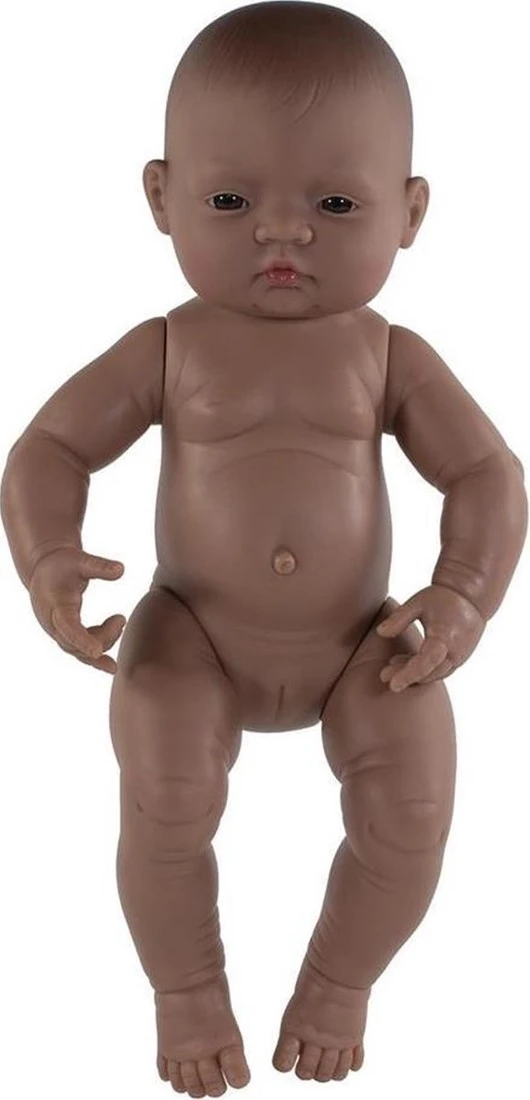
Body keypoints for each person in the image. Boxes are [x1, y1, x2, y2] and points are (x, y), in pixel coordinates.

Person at [1, 3, 527, 1096]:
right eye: (230, 200)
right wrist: (49, 556)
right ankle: (187, 990)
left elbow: (487, 473)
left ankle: (338, 982)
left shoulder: (388, 355)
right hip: (191, 628)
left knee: (414, 809)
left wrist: (464, 593)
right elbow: (49, 447)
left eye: (334, 204)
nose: (280, 234)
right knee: (165, 788)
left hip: (360, 641)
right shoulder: (168, 345)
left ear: (409, 213)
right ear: (161, 197)